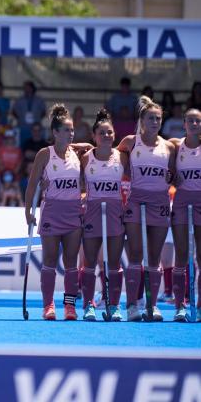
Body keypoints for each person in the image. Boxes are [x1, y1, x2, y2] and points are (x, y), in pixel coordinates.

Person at [117, 96, 175, 322]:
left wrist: (173, 178)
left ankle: (152, 305)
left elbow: (174, 176)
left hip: (159, 203)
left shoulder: (169, 146)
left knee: (154, 256)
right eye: (150, 118)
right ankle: (133, 305)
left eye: (158, 118)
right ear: (142, 120)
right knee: (135, 254)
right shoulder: (130, 142)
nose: (155, 122)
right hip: (135, 201)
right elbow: (113, 160)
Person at [24, 104, 82, 320]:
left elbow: (89, 148)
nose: (71, 134)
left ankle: (69, 306)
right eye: (66, 130)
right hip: (51, 212)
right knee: (49, 260)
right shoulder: (44, 154)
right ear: (55, 132)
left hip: (73, 212)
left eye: (73, 130)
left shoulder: (77, 153)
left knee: (71, 263)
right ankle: (48, 306)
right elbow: (31, 186)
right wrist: (28, 212)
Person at [79, 108, 127, 322]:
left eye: (109, 133)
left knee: (115, 263)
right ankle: (88, 305)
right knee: (89, 262)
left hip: (115, 209)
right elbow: (78, 182)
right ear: (94, 136)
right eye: (102, 133)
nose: (106, 136)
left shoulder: (122, 156)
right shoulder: (86, 157)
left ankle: (114, 306)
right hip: (92, 210)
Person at [168, 106, 201, 322]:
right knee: (181, 256)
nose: (195, 124)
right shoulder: (175, 147)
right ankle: (180, 305)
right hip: (181, 202)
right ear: (184, 124)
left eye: (198, 121)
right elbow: (168, 172)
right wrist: (172, 178)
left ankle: (199, 306)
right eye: (191, 121)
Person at [12, 81, 47, 145]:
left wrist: (38, 119)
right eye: (25, 88)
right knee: (22, 143)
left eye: (28, 88)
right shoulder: (19, 100)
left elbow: (44, 111)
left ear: (32, 88)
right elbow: (13, 111)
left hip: (35, 127)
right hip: (23, 126)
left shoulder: (39, 100)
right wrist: (20, 119)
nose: (27, 89)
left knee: (37, 144)